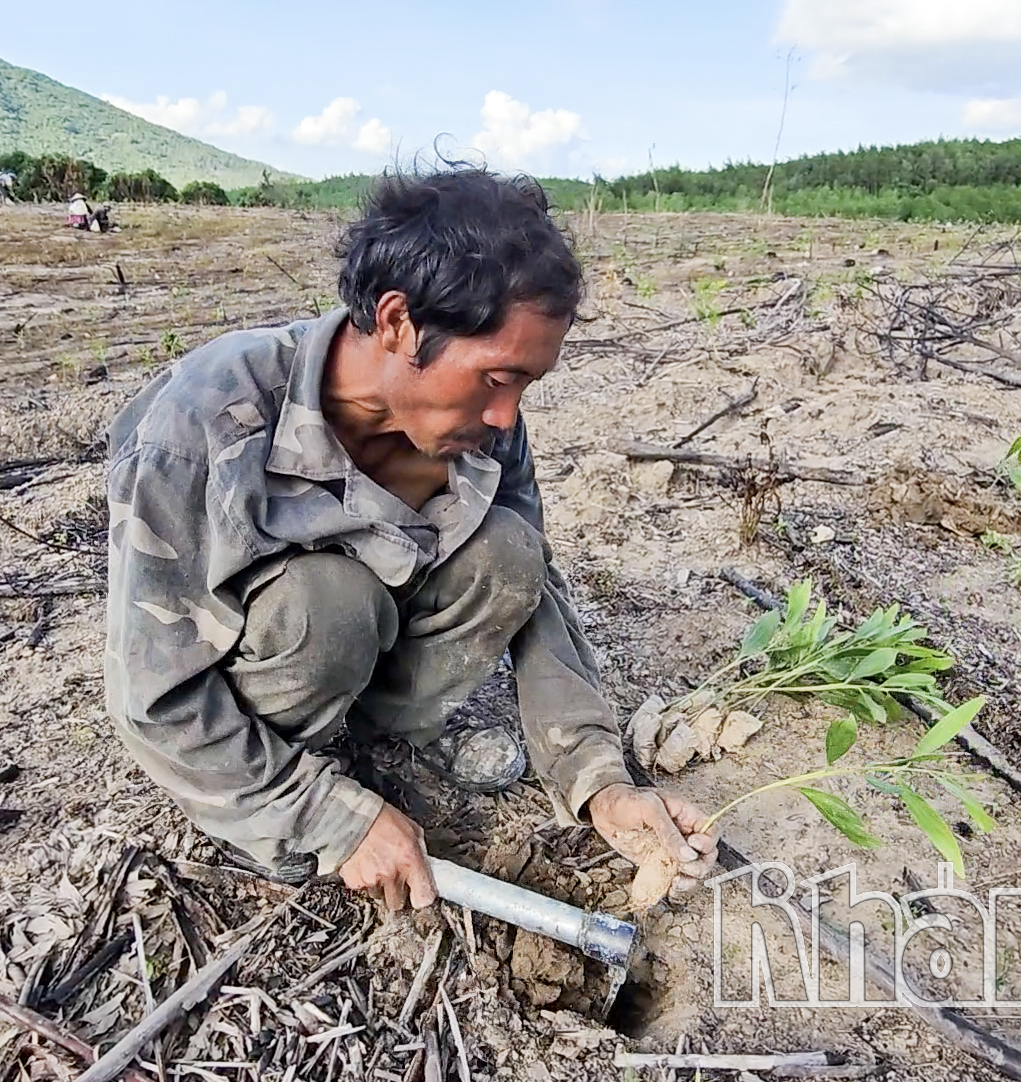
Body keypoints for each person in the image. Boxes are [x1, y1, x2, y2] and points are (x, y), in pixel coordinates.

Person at [103, 168, 718, 911]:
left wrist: (599, 781)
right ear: (397, 323)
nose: (505, 415)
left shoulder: (484, 433)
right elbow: (154, 697)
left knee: (507, 550)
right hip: (265, 689)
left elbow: (535, 599)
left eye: (525, 387)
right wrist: (327, 818)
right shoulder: (204, 423)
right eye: (496, 377)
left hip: (371, 677)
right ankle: (280, 790)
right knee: (325, 601)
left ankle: (380, 747)